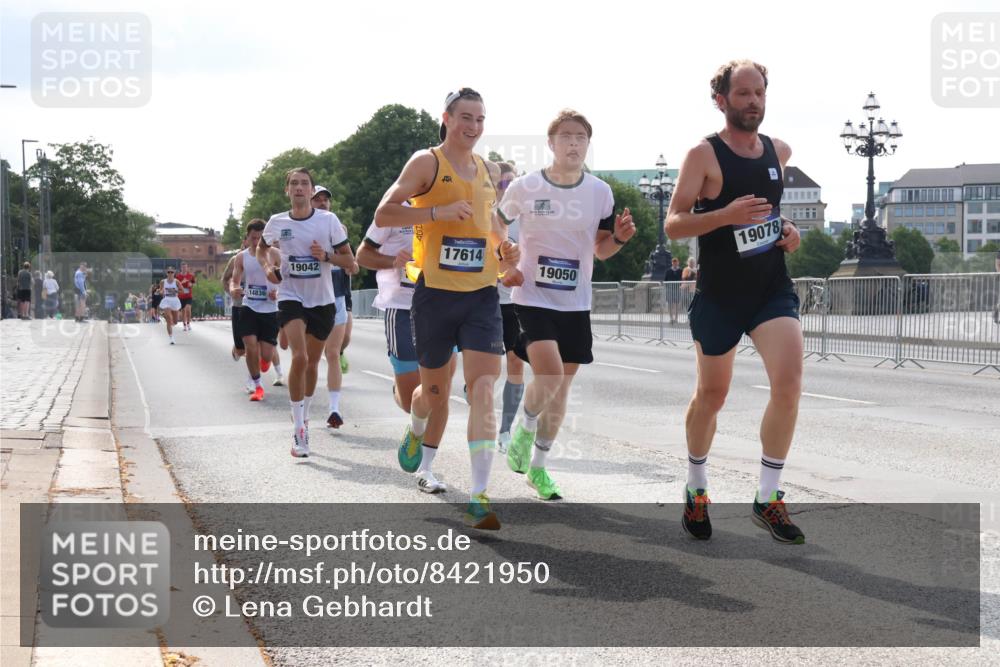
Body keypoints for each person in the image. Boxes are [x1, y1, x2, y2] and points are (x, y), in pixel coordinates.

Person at [665, 59, 804, 543]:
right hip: (720, 295)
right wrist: (724, 214)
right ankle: (697, 487)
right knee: (712, 395)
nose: (753, 102)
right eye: (743, 93)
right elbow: (674, 222)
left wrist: (789, 231)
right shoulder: (702, 156)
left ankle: (768, 496)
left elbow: (772, 214)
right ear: (721, 99)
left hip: (770, 289)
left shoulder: (778, 151)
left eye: (759, 92)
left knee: (788, 384)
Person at [374, 87, 519, 528]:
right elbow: (385, 213)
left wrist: (504, 246)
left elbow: (487, 218)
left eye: (480, 119)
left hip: (481, 296)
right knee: (433, 395)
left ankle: (479, 495)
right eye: (466, 118)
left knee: (481, 390)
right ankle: (417, 431)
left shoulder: (487, 169)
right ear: (447, 118)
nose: (473, 127)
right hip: (435, 294)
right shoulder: (426, 163)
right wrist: (436, 213)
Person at [499, 109, 635, 501]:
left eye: (581, 138)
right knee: (551, 374)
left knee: (561, 388)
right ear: (551, 143)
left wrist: (621, 239)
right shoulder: (525, 187)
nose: (574, 144)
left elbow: (602, 249)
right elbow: (495, 222)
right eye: (566, 137)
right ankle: (523, 427)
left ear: (588, 144)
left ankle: (538, 469)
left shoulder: (600, 192)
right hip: (531, 297)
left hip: (575, 302)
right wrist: (503, 253)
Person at [357, 204, 459, 493]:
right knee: (409, 399)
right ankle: (407, 406)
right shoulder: (393, 209)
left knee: (440, 390)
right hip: (402, 307)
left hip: (442, 307)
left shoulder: (450, 203)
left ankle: (426, 468)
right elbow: (362, 255)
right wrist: (392, 259)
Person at [257, 167, 354, 459]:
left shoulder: (328, 221)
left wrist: (325, 256)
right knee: (298, 357)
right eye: (294, 184)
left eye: (304, 184)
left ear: (311, 191)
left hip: (322, 301)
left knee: (312, 363)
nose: (299, 188)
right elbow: (261, 250)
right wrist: (268, 270)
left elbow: (350, 261)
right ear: (287, 190)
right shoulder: (277, 222)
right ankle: (299, 429)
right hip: (290, 295)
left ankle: (306, 413)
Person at [311, 185, 358, 429]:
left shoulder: (339, 231)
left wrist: (344, 263)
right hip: (310, 300)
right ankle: (303, 409)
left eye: (325, 200)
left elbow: (353, 265)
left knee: (333, 352)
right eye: (317, 200)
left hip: (337, 297)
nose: (322, 203)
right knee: (310, 357)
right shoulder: (302, 231)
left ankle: (334, 409)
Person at [230, 220, 282, 402]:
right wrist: (233, 289)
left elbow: (287, 279)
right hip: (249, 306)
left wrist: (279, 292)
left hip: (270, 309)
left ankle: (263, 364)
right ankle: (257, 385)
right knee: (250, 346)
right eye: (253, 238)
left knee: (266, 355)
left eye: (261, 237)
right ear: (248, 237)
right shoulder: (241, 257)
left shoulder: (275, 254)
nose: (257, 241)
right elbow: (234, 280)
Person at [494, 162, 526, 454]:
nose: (507, 189)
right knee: (489, 367)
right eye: (502, 184)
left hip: (514, 301)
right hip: (485, 299)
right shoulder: (487, 217)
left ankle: (505, 430)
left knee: (516, 362)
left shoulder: (525, 218)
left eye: (511, 183)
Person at [159, 267, 183, 344]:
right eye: (168, 272)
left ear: (174, 273)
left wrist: (175, 290)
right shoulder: (163, 282)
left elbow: (182, 291)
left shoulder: (177, 282)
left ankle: (169, 320)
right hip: (167, 300)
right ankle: (171, 338)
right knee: (169, 318)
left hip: (174, 300)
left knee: (175, 321)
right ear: (166, 273)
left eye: (171, 272)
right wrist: (161, 291)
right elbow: (161, 291)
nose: (170, 274)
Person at [664, 256, 685, 324]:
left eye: (676, 263)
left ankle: (676, 318)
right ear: (672, 263)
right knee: (670, 304)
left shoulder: (680, 271)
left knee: (676, 304)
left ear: (678, 263)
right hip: (670, 290)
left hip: (677, 289)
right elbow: (665, 280)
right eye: (674, 263)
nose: (675, 264)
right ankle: (671, 318)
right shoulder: (668, 271)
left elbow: (683, 279)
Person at [176, 262, 195, 331]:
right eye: (183, 267)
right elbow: (176, 286)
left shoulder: (191, 276)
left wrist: (191, 285)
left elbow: (193, 283)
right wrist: (182, 282)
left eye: (185, 267)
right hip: (181, 296)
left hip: (189, 295)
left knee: (188, 309)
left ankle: (188, 323)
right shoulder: (178, 277)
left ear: (187, 268)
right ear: (181, 268)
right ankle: (184, 325)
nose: (184, 269)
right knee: (183, 311)